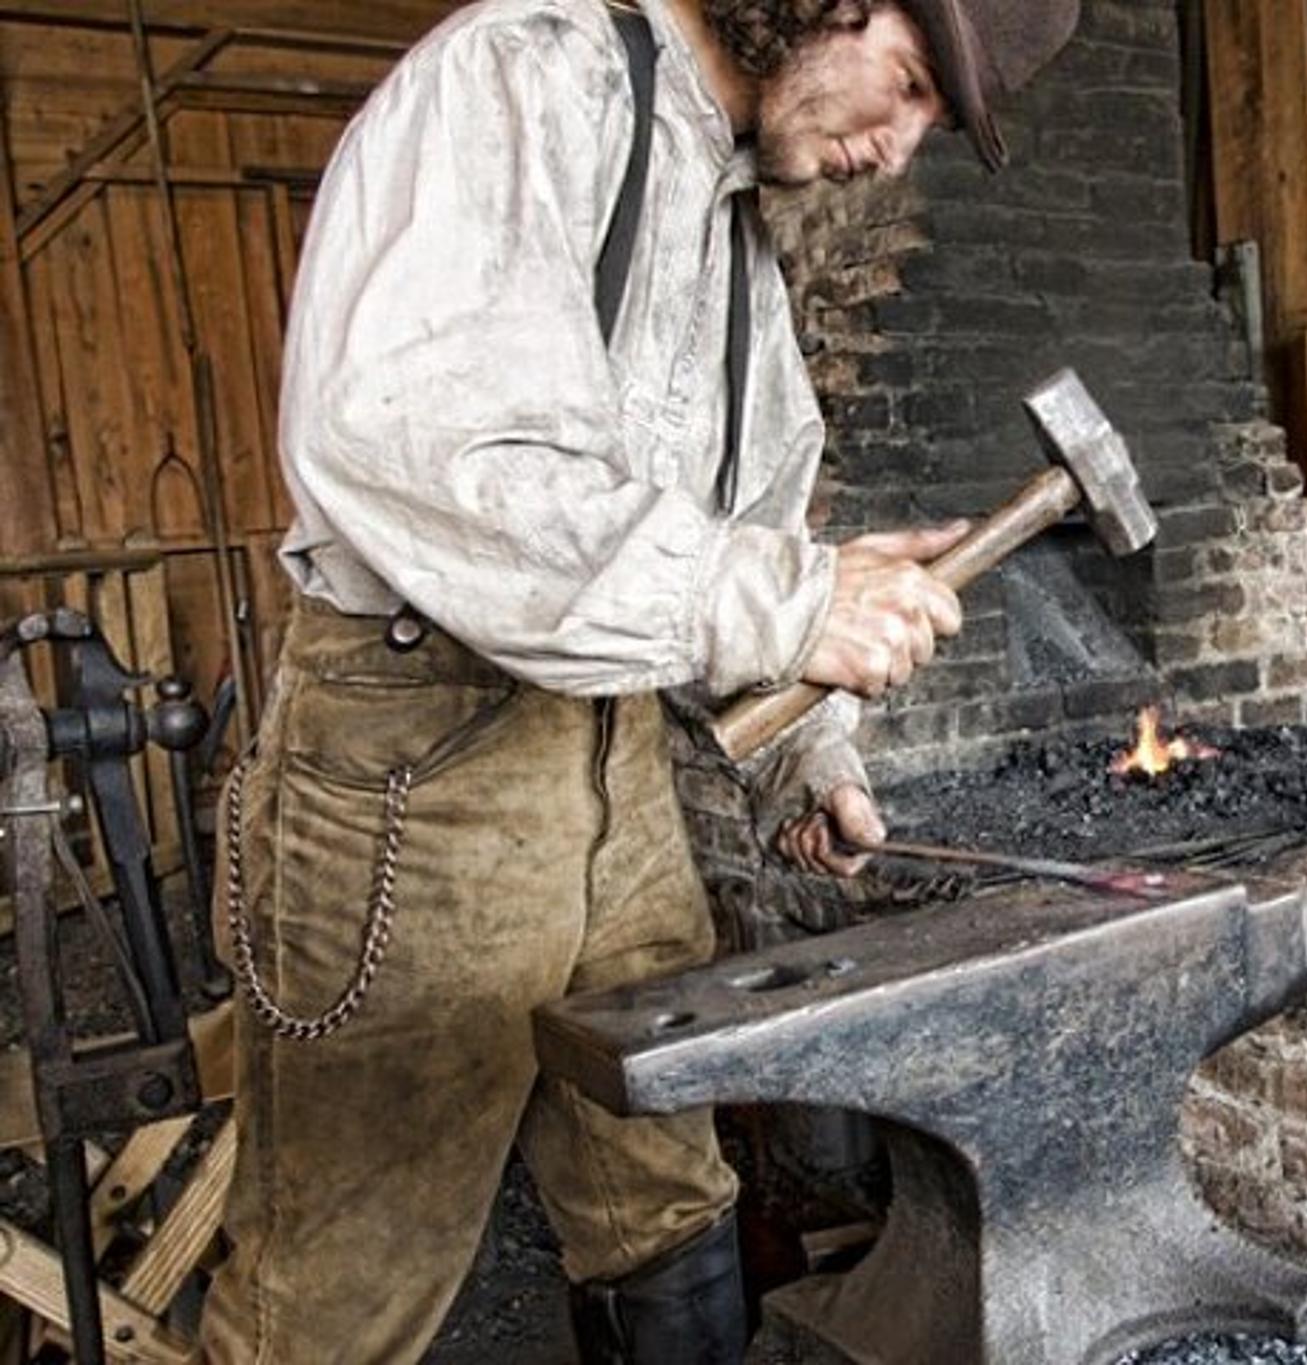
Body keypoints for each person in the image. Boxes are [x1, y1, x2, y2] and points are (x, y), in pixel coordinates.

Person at [199, 1, 1078, 1361]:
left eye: (927, 126)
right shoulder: (527, 74)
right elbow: (440, 460)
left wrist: (808, 753)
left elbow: (762, 519)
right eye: (903, 86)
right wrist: (793, 605)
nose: (891, 151)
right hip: (416, 768)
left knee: (662, 1197)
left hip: (615, 759)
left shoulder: (730, 214)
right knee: (340, 1283)